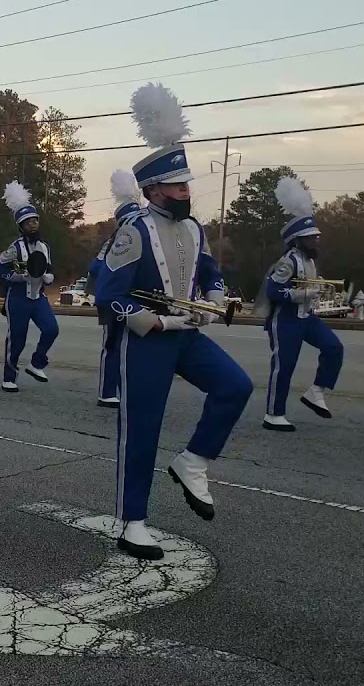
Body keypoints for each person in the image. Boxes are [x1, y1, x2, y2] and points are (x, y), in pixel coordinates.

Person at [95, 83, 253, 561]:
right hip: (149, 340)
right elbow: (108, 297)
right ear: (154, 190)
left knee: (236, 386)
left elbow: (209, 271)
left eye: (187, 186)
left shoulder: (193, 228)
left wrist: (218, 295)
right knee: (142, 428)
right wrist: (149, 322)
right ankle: (132, 521)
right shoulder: (133, 232)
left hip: (187, 333)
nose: (187, 193)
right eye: (179, 186)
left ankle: (192, 461)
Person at [251, 177, 344, 432]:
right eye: (311, 238)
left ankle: (316, 391)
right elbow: (273, 290)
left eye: (316, 237)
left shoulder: (310, 260)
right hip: (287, 320)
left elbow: (307, 283)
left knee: (334, 347)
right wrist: (304, 293)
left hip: (306, 318)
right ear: (297, 240)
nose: (316, 241)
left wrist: (318, 286)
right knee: (284, 367)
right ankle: (273, 414)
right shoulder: (288, 261)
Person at [0, 181, 59, 393]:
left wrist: (49, 277)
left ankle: (37, 363)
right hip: (18, 298)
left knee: (51, 329)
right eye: (28, 222)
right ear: (20, 227)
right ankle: (9, 377)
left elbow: (46, 268)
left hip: (38, 297)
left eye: (35, 221)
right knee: (17, 339)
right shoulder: (15, 248)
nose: (33, 225)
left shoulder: (45, 247)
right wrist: (14, 277)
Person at [91, 171, 146, 408]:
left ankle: (128, 389)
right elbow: (94, 267)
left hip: (137, 300)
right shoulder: (114, 241)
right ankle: (107, 391)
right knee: (112, 344)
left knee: (136, 348)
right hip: (115, 299)